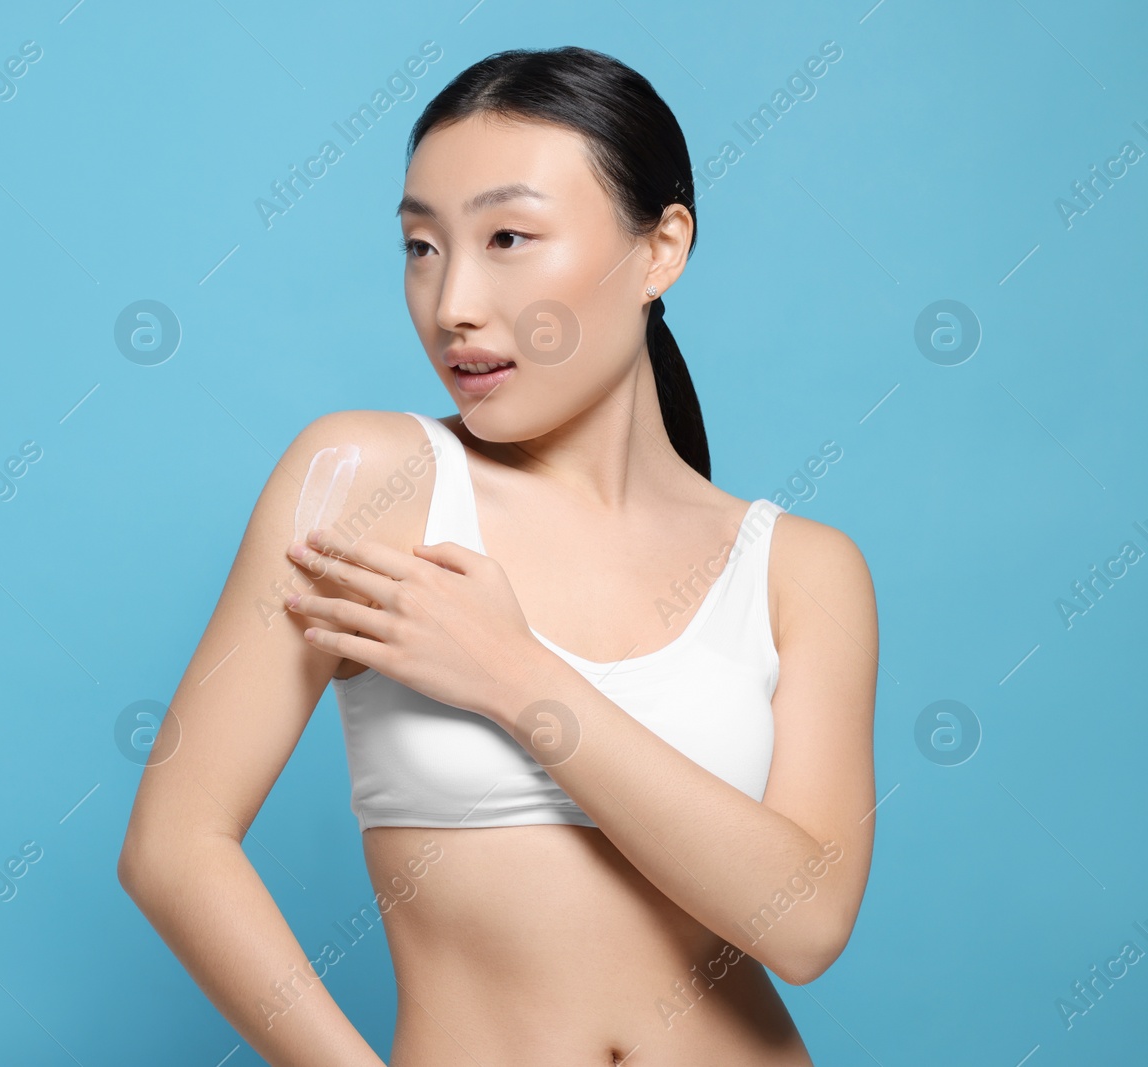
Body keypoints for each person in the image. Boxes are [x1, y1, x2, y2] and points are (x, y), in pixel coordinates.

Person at [118, 45, 877, 1066]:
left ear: (660, 249)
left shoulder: (800, 568)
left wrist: (518, 678)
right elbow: (172, 847)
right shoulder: (370, 481)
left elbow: (805, 921)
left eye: (508, 236)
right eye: (421, 247)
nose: (452, 302)